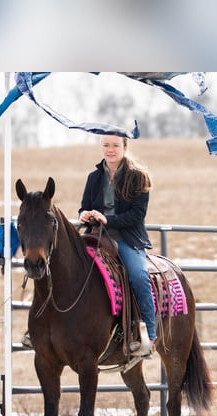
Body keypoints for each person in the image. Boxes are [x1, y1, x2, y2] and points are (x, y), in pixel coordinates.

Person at [78, 134, 157, 357]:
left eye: (114, 145)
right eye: (106, 145)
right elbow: (84, 206)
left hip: (127, 238)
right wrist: (85, 215)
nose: (110, 149)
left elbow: (137, 215)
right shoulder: (94, 177)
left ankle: (149, 335)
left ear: (125, 147)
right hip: (96, 236)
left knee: (139, 276)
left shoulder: (138, 177)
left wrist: (107, 220)